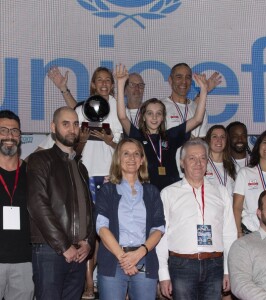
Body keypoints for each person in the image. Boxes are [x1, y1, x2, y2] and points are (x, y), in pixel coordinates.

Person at [48, 66, 123, 299]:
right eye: (99, 80)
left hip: (111, 176)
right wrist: (84, 138)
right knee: (90, 229)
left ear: (112, 85)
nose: (103, 83)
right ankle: (88, 281)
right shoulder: (82, 109)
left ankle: (107, 278)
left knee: (107, 230)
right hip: (87, 175)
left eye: (107, 80)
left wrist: (110, 142)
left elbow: (123, 146)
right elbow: (75, 147)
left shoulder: (117, 111)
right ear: (93, 84)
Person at [27, 107, 95, 300]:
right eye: (66, 124)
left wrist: (88, 243)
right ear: (53, 128)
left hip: (79, 254)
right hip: (51, 251)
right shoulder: (40, 160)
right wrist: (64, 246)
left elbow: (90, 209)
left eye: (75, 124)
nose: (72, 129)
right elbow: (37, 205)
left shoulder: (81, 167)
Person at [156, 138, 237, 300]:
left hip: (215, 264)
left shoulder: (220, 191)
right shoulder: (168, 193)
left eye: (202, 158)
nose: (198, 163)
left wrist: (228, 270)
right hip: (181, 265)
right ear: (182, 163)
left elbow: (229, 233)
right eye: (192, 158)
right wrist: (163, 274)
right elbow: (161, 236)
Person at [115, 63, 208, 191]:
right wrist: (120, 84)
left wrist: (204, 90)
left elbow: (197, 119)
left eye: (158, 113)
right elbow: (122, 116)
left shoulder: (171, 135)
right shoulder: (137, 136)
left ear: (163, 117)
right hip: (146, 189)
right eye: (150, 113)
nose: (154, 118)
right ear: (143, 116)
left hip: (172, 189)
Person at [95, 138, 165, 300]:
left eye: (136, 154)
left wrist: (138, 254)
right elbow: (101, 227)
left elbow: (158, 228)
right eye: (126, 153)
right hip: (113, 261)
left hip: (144, 260)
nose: (131, 158)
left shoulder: (152, 192)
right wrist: (123, 258)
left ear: (142, 160)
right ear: (118, 160)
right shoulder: (107, 190)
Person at [162, 63, 221, 177]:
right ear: (170, 80)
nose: (184, 81)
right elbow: (158, 141)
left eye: (188, 77)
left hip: (195, 172)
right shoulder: (160, 107)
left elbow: (203, 140)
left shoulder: (199, 108)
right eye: (179, 77)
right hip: (169, 170)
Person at [0, 110, 34, 300]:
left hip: (24, 262)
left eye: (14, 131)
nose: (9, 136)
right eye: (3, 130)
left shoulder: (33, 174)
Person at [205, 125, 236, 198]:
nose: (219, 140)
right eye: (215, 136)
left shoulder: (234, 165)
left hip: (229, 208)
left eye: (222, 137)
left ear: (226, 141)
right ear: (208, 140)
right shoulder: (202, 164)